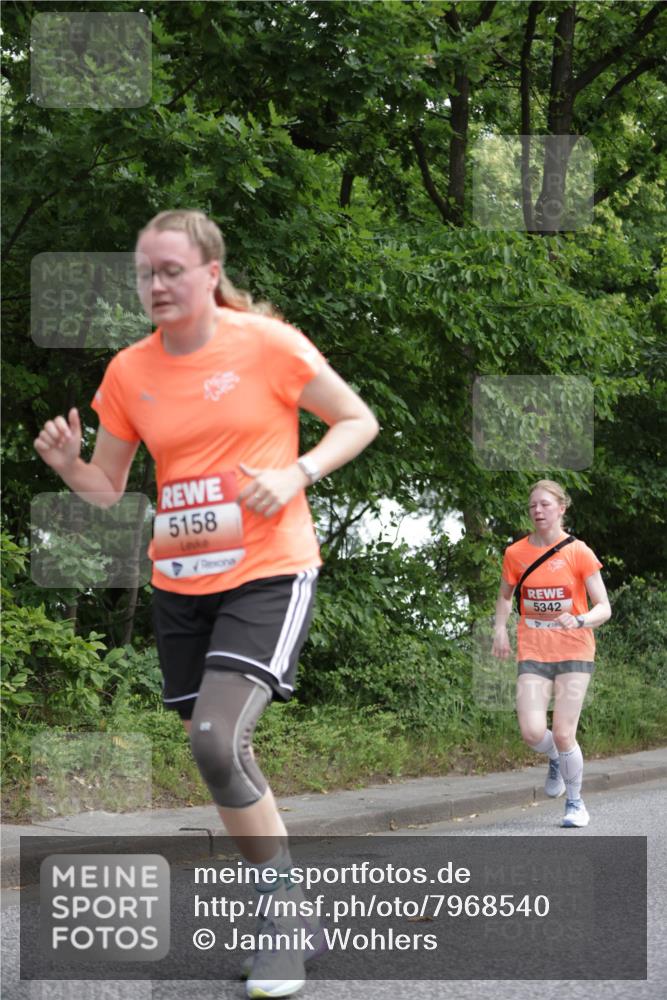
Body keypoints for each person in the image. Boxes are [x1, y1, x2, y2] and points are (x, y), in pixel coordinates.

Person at [34, 209, 380, 997]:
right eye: (143, 273)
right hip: (180, 583)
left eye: (170, 271)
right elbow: (108, 488)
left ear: (210, 271)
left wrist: (296, 475)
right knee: (219, 750)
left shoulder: (267, 345)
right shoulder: (128, 371)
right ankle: (291, 902)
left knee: (217, 744)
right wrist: (67, 463)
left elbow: (357, 419)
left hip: (269, 569)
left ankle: (279, 920)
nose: (155, 285)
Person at [492, 479, 611, 828]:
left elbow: (604, 607)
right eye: (533, 506)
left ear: (561, 508)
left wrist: (579, 618)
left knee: (563, 732)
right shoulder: (515, 553)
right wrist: (500, 628)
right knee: (531, 732)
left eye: (545, 504)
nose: (538, 511)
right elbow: (504, 595)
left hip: (574, 649)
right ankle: (557, 759)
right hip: (533, 648)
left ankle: (575, 804)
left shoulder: (578, 552)